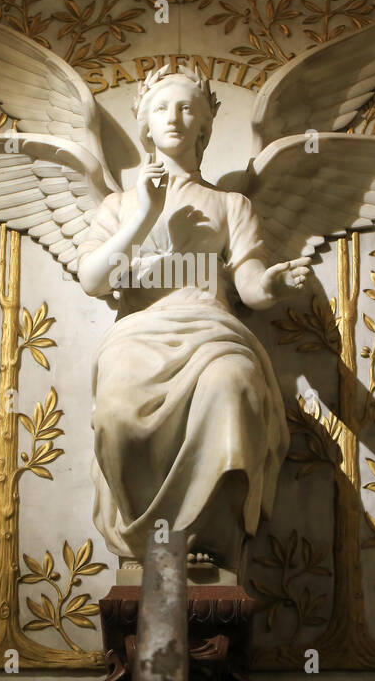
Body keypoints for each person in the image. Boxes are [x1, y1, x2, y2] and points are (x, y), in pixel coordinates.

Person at [77, 64, 309, 576]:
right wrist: (144, 211)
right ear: (147, 125)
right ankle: (148, 541)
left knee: (233, 387)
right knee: (117, 414)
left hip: (212, 331)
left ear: (204, 126)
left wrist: (270, 284)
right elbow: (92, 278)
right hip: (141, 332)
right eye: (162, 107)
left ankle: (209, 536)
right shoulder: (119, 205)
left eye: (187, 108)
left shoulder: (231, 204)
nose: (175, 117)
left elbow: (247, 281)